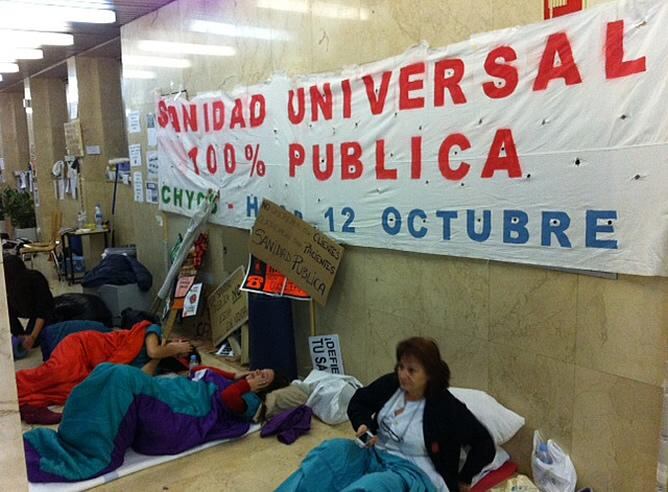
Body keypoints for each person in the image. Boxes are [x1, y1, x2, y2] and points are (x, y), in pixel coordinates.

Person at [278, 337, 495, 492]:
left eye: (412, 370)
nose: (403, 375)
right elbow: (360, 401)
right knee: (328, 456)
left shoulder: (447, 408)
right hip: (374, 453)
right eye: (401, 367)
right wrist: (363, 425)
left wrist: (464, 479)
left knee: (370, 488)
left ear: (430, 374)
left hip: (411, 472)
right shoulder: (392, 384)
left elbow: (484, 443)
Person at [24, 362, 287, 483]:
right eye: (261, 369)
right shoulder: (234, 381)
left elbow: (228, 398)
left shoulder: (250, 402)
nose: (259, 372)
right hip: (175, 397)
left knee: (123, 379)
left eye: (265, 376)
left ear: (265, 388)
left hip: (180, 417)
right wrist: (235, 373)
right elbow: (197, 370)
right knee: (107, 370)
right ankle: (75, 432)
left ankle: (89, 451)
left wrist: (245, 384)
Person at [16, 316, 193, 424]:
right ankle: (11, 385)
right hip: (84, 347)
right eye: (180, 343)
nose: (178, 343)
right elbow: (153, 350)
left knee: (68, 390)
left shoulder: (154, 365)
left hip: (93, 366)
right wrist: (173, 349)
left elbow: (138, 376)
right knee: (53, 374)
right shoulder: (153, 330)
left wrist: (162, 357)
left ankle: (18, 397)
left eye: (181, 347)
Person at [3, 254, 54, 350]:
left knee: (34, 342)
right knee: (6, 309)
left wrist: (33, 337)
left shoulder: (36, 280)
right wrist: (21, 336)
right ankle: (20, 334)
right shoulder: (8, 284)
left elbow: (43, 311)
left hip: (42, 311)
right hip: (24, 308)